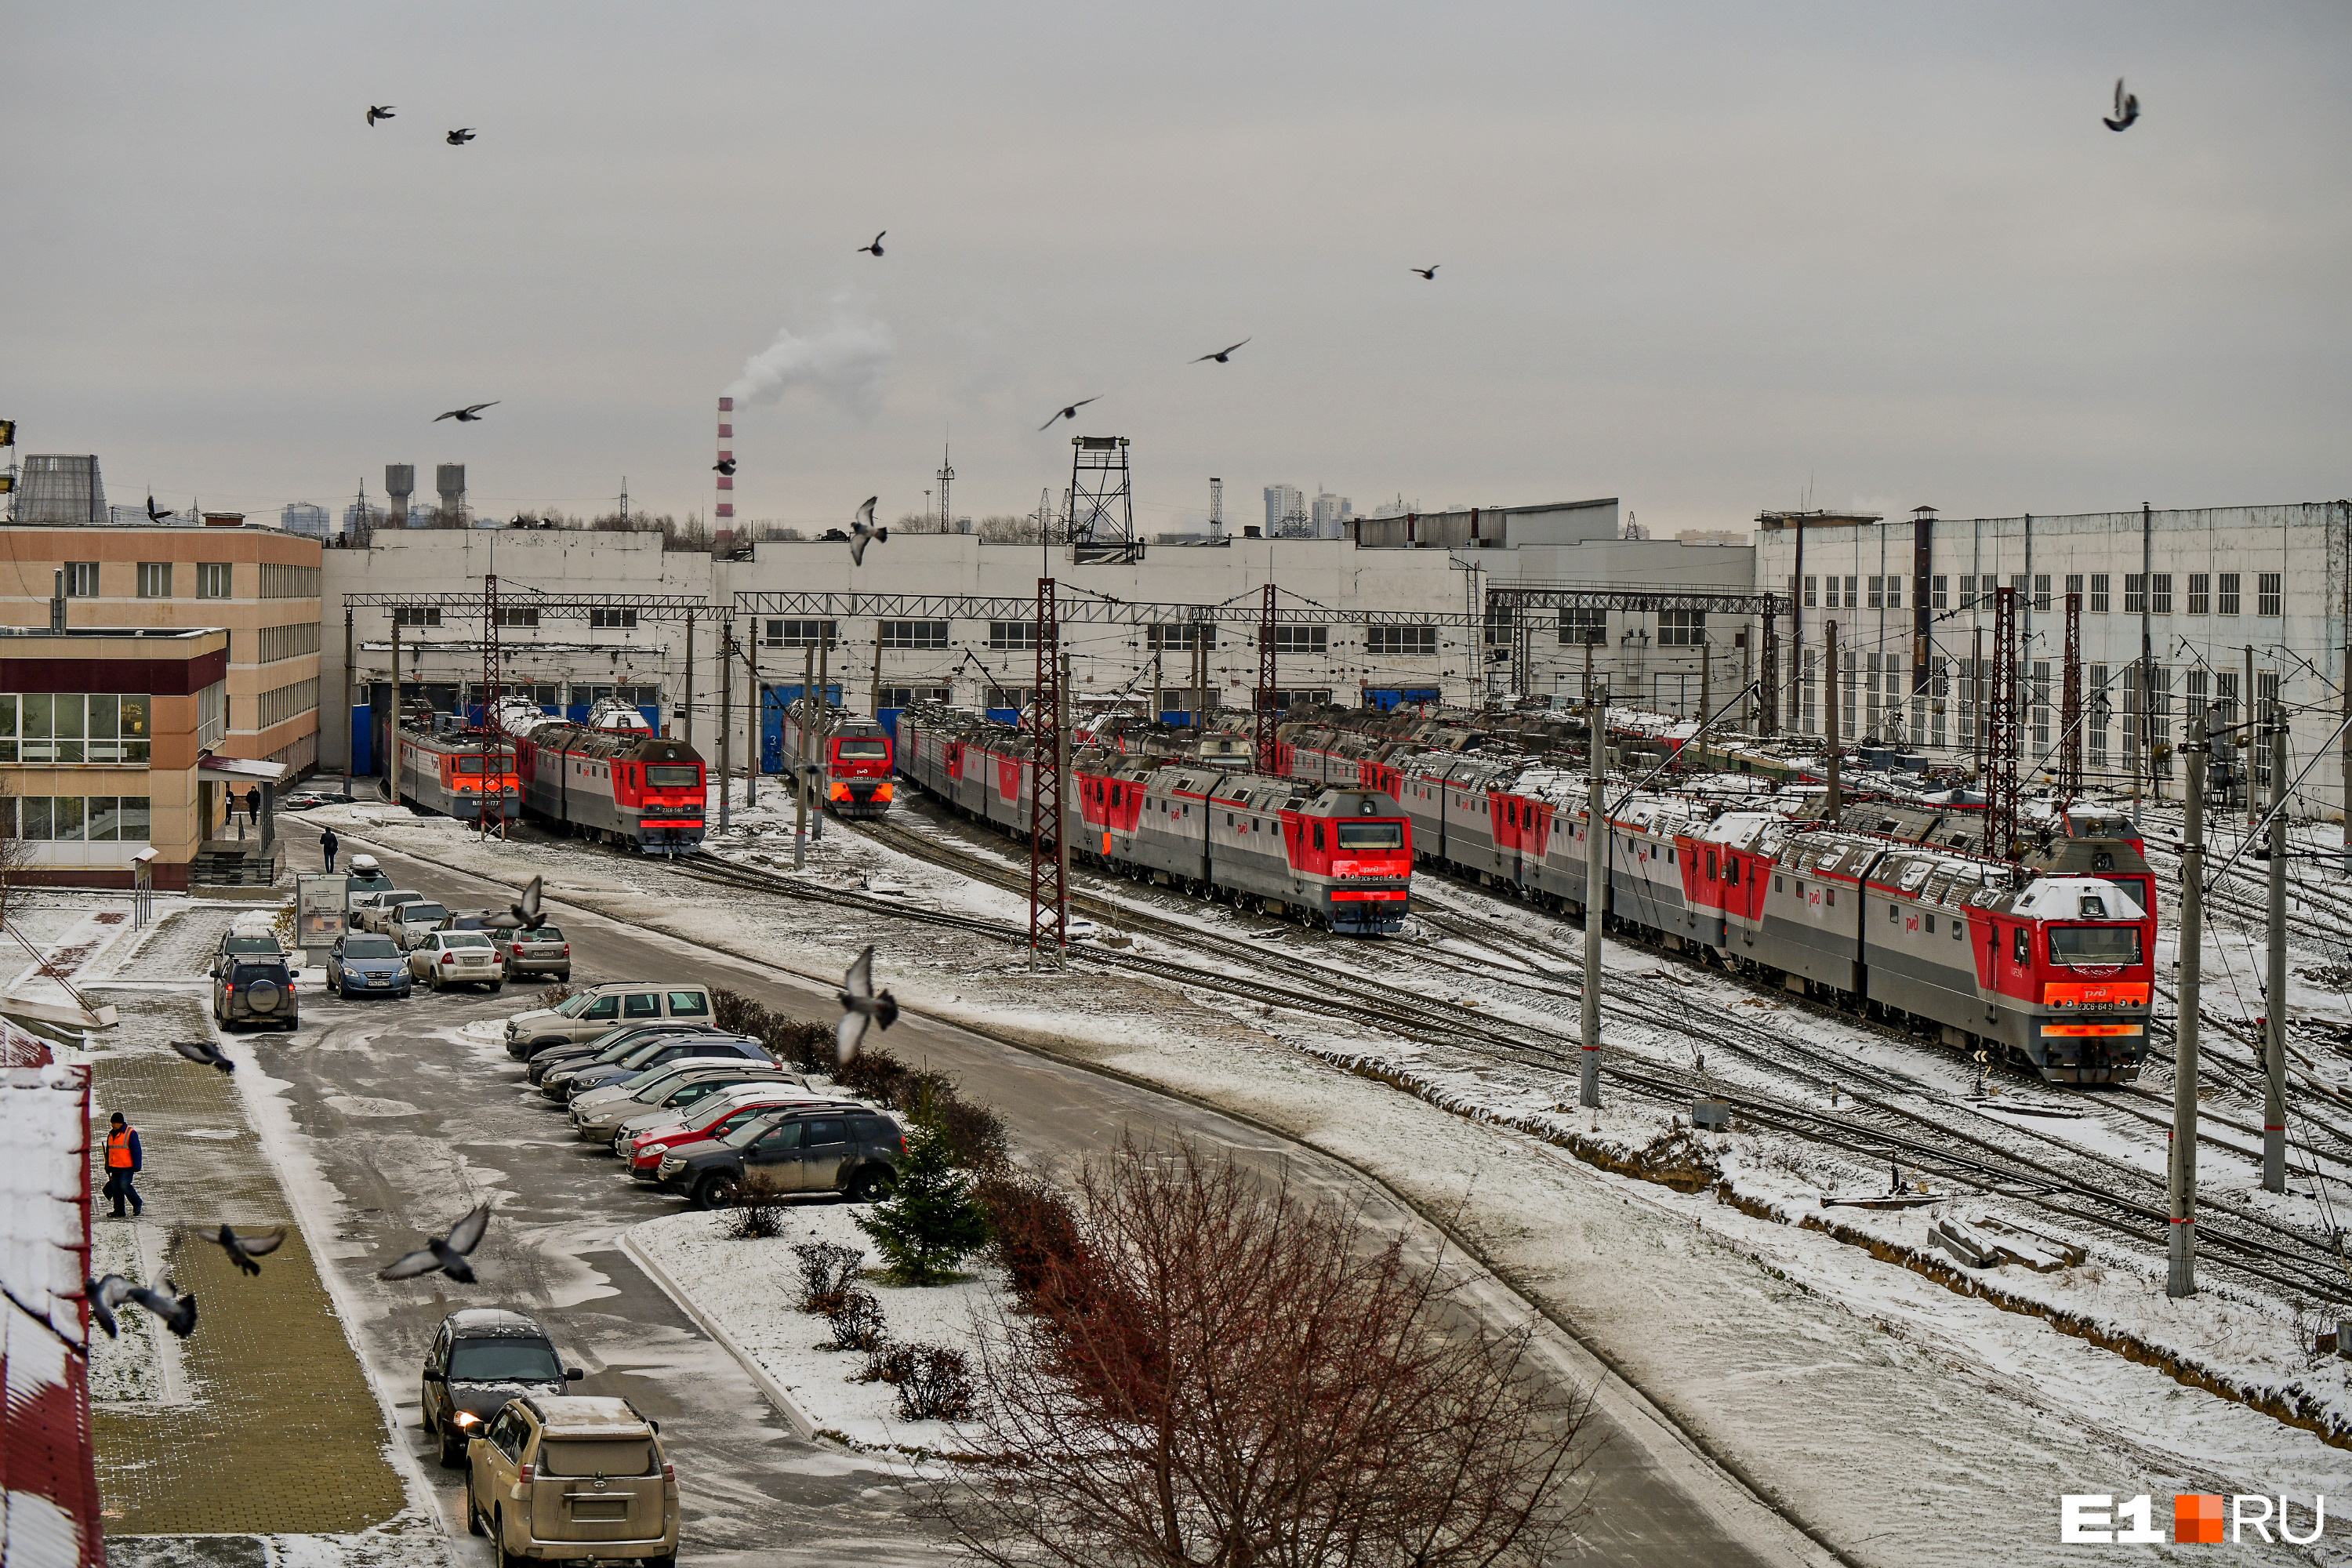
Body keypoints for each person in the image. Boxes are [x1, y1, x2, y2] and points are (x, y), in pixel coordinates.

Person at [103, 1111, 143, 1220]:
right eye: (112, 1123)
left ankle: (137, 1203)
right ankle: (119, 1211)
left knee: (124, 1185)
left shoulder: (130, 1133)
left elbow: (136, 1151)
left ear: (121, 1123)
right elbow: (109, 1151)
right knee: (116, 1189)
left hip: (127, 1167)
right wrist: (107, 1165)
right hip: (115, 1167)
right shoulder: (111, 1135)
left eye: (115, 1123)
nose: (112, 1125)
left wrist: (137, 1165)